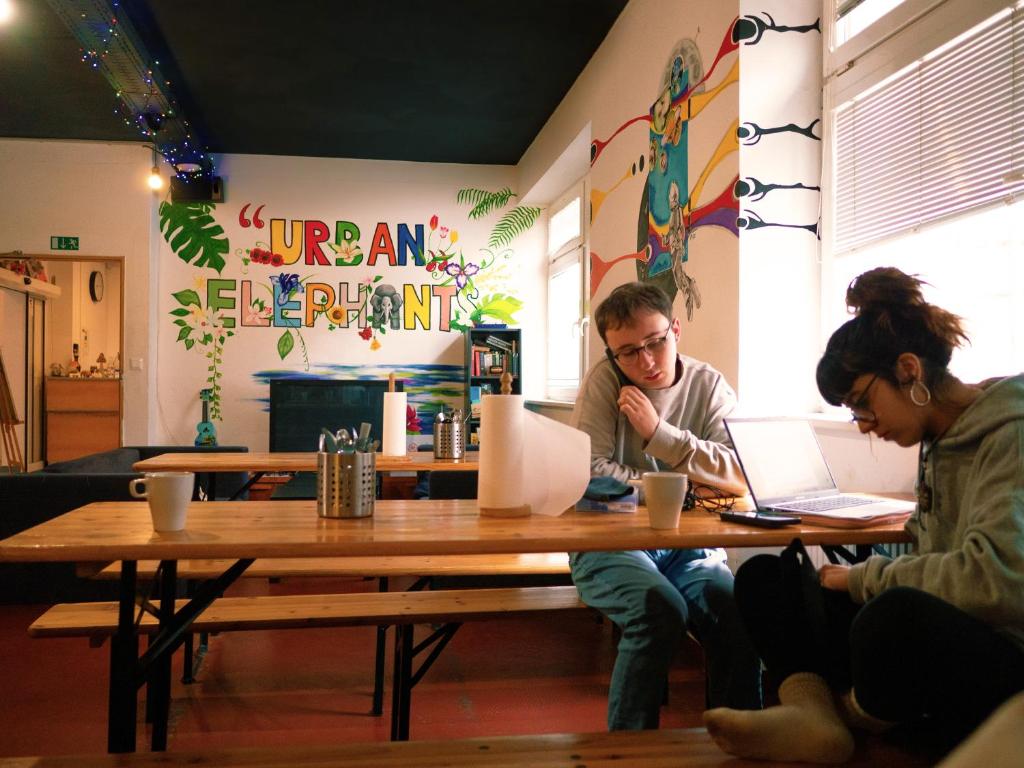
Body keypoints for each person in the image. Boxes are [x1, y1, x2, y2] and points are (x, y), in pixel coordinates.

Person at [704, 267, 1024, 763]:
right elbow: (931, 548)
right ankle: (815, 718)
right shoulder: (935, 439)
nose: (863, 426)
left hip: (1005, 652)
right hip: (954, 630)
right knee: (766, 575)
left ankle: (847, 718)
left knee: (891, 616)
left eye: (862, 404)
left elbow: (995, 580)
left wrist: (863, 579)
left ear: (909, 370)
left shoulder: (1012, 435)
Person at [570, 281, 762, 731]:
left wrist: (661, 434)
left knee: (736, 613)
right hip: (609, 544)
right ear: (611, 354)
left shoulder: (708, 384)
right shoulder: (605, 381)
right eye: (628, 352)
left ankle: (741, 739)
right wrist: (685, 487)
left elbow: (739, 471)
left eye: (656, 342)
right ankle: (628, 752)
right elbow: (589, 473)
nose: (647, 361)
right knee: (660, 611)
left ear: (675, 328)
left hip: (691, 548)